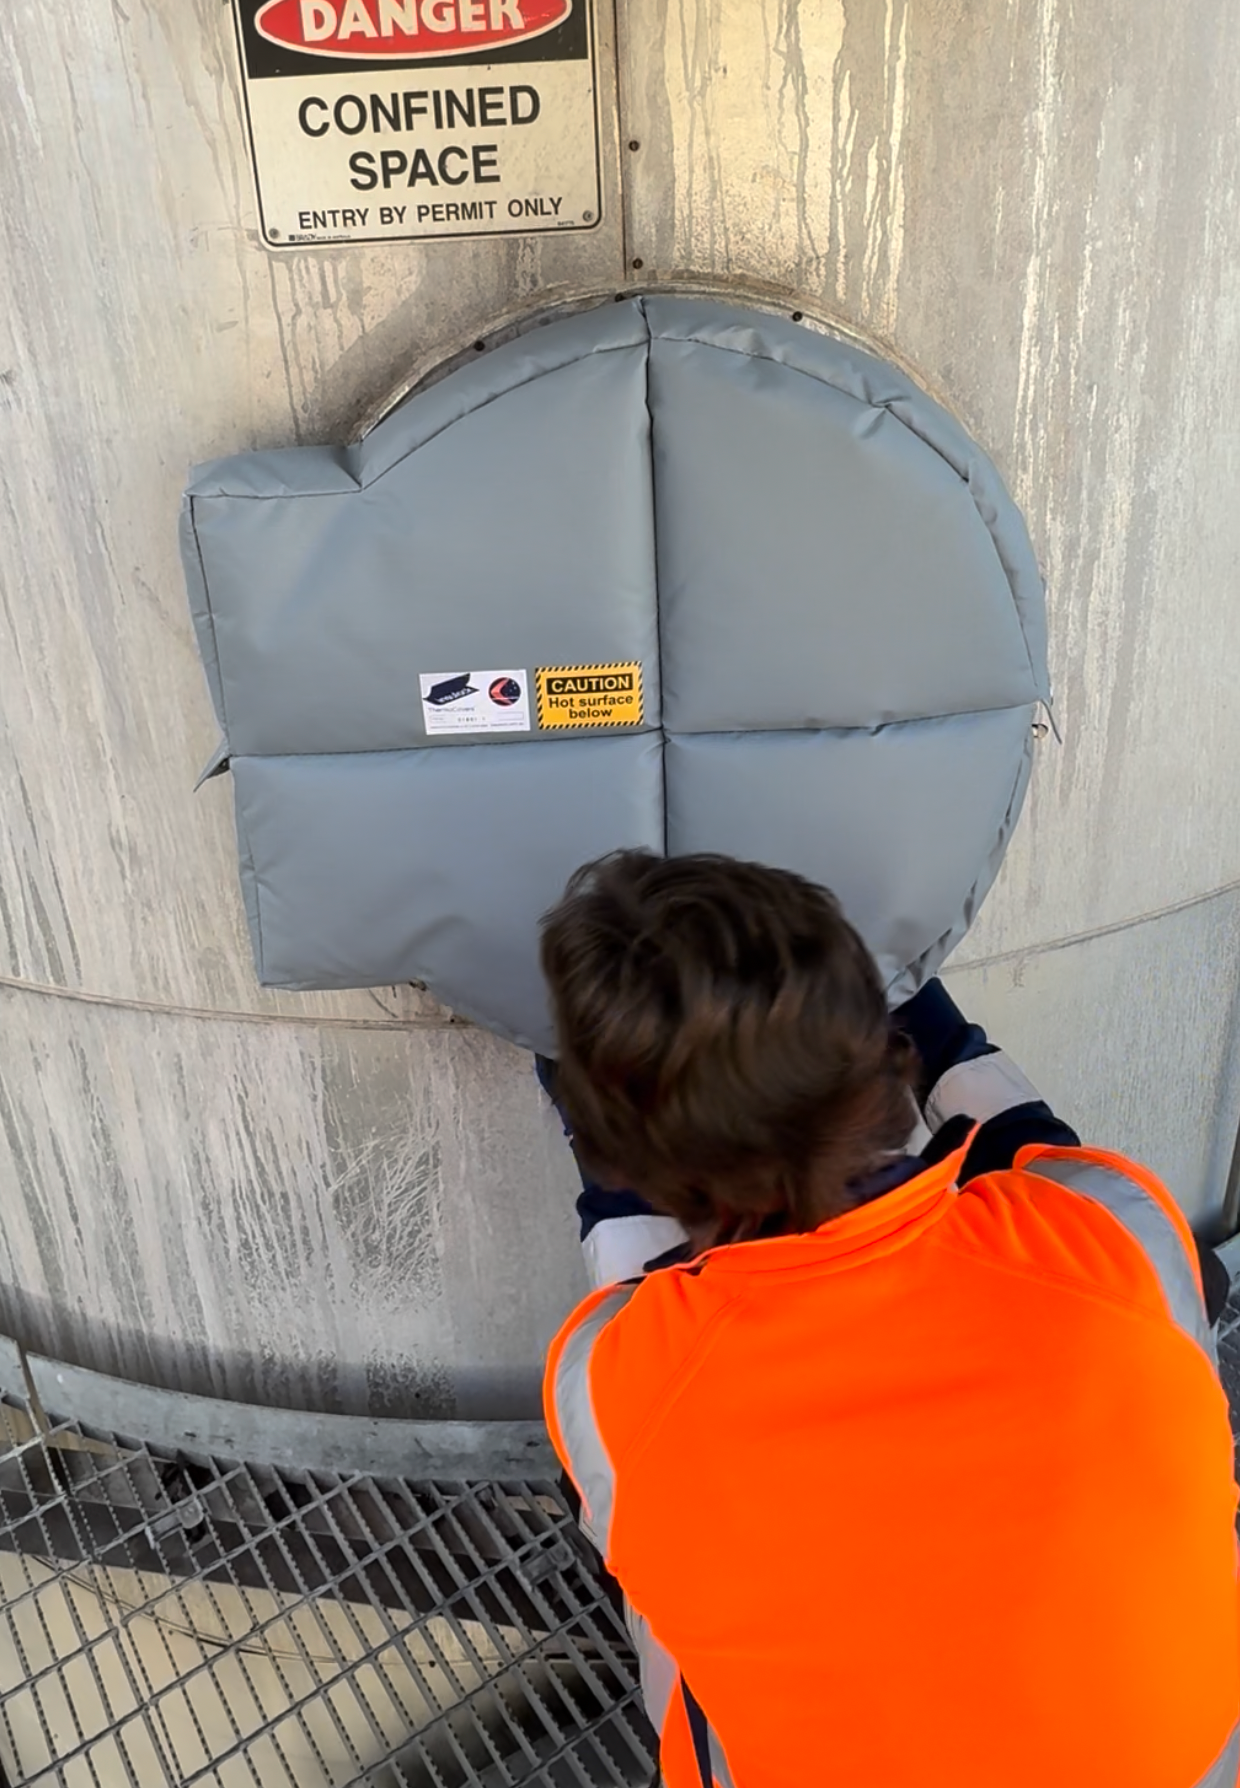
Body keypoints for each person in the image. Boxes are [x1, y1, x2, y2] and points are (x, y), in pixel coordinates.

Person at [536, 850, 1240, 1788]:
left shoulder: (613, 1371)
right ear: (884, 1061)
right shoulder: (1115, 1230)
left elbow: (633, 1499)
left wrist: (608, 1082)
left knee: (647, 1532)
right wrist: (894, 978)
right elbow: (1031, 1150)